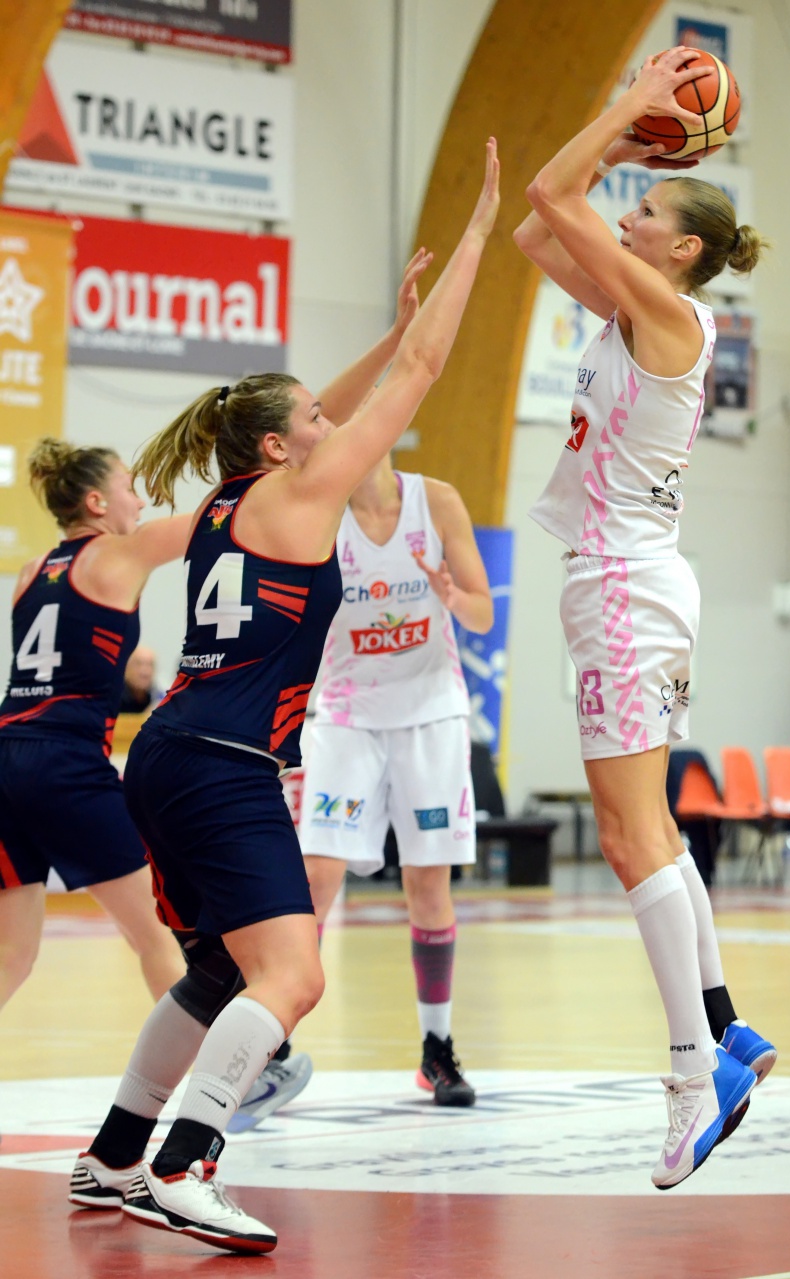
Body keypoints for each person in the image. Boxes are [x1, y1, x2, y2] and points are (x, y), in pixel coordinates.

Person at [68, 140, 500, 1254]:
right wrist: (476, 234)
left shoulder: (223, 504)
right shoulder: (301, 498)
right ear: (279, 444)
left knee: (219, 968)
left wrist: (385, 337)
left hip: (166, 751)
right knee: (292, 974)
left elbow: (343, 399)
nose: (331, 427)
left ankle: (113, 1152)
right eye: (312, 419)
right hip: (221, 762)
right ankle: (184, 1163)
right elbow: (425, 371)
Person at [513, 49, 775, 1190]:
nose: (625, 214)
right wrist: (628, 141)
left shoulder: (665, 314)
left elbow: (546, 193)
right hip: (632, 582)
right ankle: (722, 1025)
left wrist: (625, 109)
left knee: (626, 838)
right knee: (652, 830)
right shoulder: (639, 308)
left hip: (623, 586)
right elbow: (538, 233)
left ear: (680, 251)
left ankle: (689, 1074)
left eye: (648, 210)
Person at [231, 451, 493, 1131]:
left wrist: (451, 596)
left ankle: (437, 1046)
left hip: (430, 712)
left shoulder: (436, 500)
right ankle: (274, 1046)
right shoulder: (320, 513)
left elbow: (483, 614)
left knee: (428, 884)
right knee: (316, 879)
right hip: (347, 713)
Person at [0, 441, 188, 1014]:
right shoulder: (121, 553)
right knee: (158, 934)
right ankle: (224, 1063)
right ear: (96, 502)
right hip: (64, 761)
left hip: (6, 753)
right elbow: (226, 518)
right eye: (130, 487)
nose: (141, 501)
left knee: (11, 954)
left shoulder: (31, 572)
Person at [119, 646, 163, 714]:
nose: (145, 672)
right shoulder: (112, 699)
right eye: (139, 664)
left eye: (150, 665)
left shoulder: (158, 700)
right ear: (126, 668)